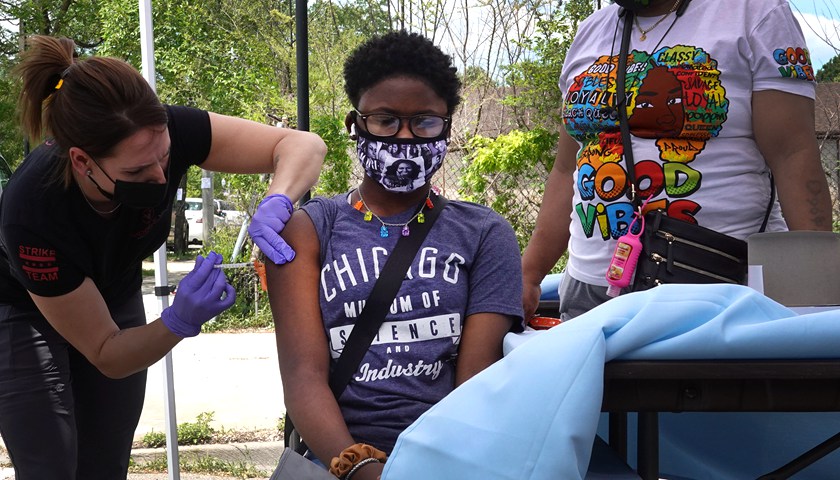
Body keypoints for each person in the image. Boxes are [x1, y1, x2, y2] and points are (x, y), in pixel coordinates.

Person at [0, 35, 325, 479]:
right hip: (20, 309)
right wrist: (178, 321)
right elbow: (106, 351)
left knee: (105, 461)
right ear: (82, 162)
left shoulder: (166, 130)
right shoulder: (32, 212)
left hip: (112, 288)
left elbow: (303, 145)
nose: (159, 177)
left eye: (165, 158)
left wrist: (278, 201)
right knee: (50, 466)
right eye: (136, 172)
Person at [265, 30, 523, 480]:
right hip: (337, 460)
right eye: (385, 120)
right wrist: (361, 469)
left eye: (424, 121)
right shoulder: (306, 229)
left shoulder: (486, 234)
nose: (404, 136)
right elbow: (303, 378)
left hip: (447, 458)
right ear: (355, 124)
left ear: (447, 125)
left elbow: (474, 385)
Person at [521, 0, 833, 320]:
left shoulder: (756, 15)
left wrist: (820, 291)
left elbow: (793, 156)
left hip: (720, 292)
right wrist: (529, 275)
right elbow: (566, 169)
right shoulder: (591, 32)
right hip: (587, 290)